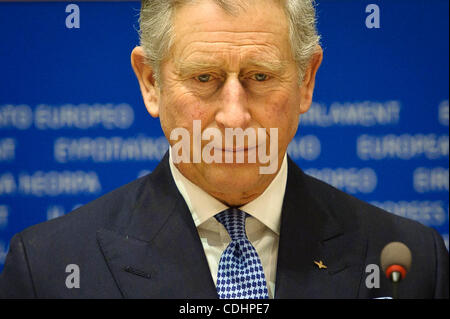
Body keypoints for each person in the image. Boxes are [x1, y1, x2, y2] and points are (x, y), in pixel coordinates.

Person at [0, 0, 448, 299]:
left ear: (306, 80)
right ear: (151, 82)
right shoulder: (48, 268)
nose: (234, 117)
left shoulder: (412, 258)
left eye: (259, 77)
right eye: (203, 78)